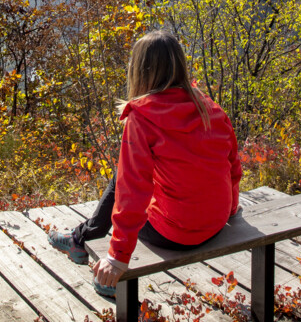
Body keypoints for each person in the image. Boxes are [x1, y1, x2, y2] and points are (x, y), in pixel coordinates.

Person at [48, 30, 241, 297]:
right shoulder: (211, 108)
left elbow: (132, 192)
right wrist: (230, 210)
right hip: (216, 223)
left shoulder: (142, 118)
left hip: (174, 235)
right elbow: (233, 166)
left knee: (121, 177)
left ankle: (83, 244)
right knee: (126, 175)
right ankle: (81, 237)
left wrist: (117, 257)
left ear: (139, 69)